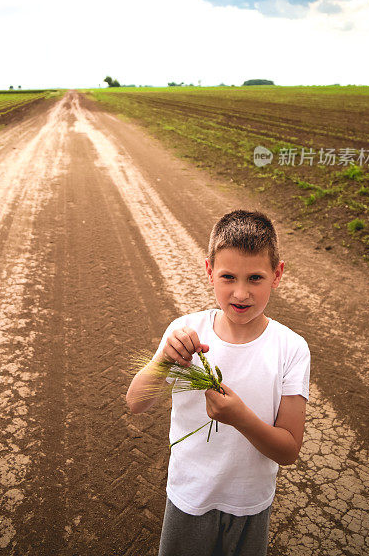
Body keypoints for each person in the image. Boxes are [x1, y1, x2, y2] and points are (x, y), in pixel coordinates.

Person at [126, 209, 310, 556]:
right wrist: (164, 359)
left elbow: (288, 450)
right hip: (190, 497)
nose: (240, 293)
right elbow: (135, 402)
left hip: (250, 503)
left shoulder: (291, 348)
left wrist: (240, 418)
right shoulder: (186, 332)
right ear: (209, 271)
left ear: (277, 274)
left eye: (255, 278)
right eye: (228, 277)